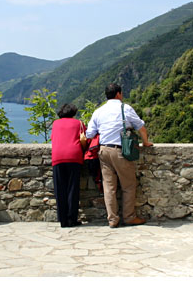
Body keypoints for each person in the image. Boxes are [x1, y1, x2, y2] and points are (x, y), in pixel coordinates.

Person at [85, 83, 153, 228]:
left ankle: (112, 219)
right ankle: (129, 217)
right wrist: (146, 142)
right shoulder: (125, 108)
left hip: (103, 151)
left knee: (109, 187)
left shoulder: (98, 111)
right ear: (118, 94)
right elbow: (141, 127)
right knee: (128, 185)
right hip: (120, 151)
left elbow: (89, 133)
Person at [50, 103, 87, 228]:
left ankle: (62, 220)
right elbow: (85, 139)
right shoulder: (79, 123)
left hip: (57, 156)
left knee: (60, 189)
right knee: (72, 188)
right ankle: (72, 219)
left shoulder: (55, 123)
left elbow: (53, 138)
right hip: (74, 156)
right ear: (73, 112)